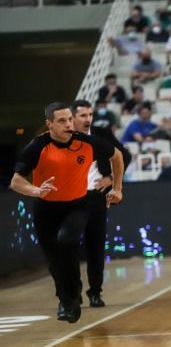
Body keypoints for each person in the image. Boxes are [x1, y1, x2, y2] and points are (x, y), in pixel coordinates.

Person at [10, 102, 124, 323]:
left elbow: (117, 156)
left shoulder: (87, 142)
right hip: (45, 209)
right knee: (54, 260)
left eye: (70, 119)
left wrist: (117, 188)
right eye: (62, 121)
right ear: (49, 124)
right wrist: (36, 190)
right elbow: (16, 181)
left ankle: (72, 297)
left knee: (67, 240)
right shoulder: (38, 146)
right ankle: (67, 301)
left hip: (77, 205)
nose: (68, 125)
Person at [70, 100, 130, 308]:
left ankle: (95, 292)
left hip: (96, 196)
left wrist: (111, 179)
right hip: (70, 199)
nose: (88, 119)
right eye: (83, 115)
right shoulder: (63, 138)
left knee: (95, 246)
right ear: (72, 117)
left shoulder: (101, 134)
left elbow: (124, 156)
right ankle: (73, 293)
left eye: (90, 115)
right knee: (69, 246)